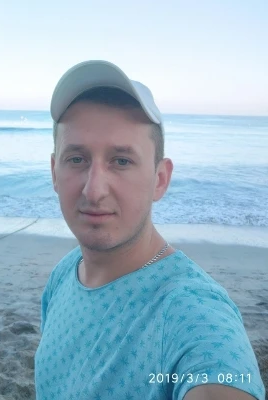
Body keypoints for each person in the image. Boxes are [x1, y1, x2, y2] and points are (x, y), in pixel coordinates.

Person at [34, 60, 265, 400]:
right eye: (77, 159)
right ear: (55, 171)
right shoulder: (64, 274)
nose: (93, 190)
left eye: (121, 161)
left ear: (160, 179)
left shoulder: (189, 309)